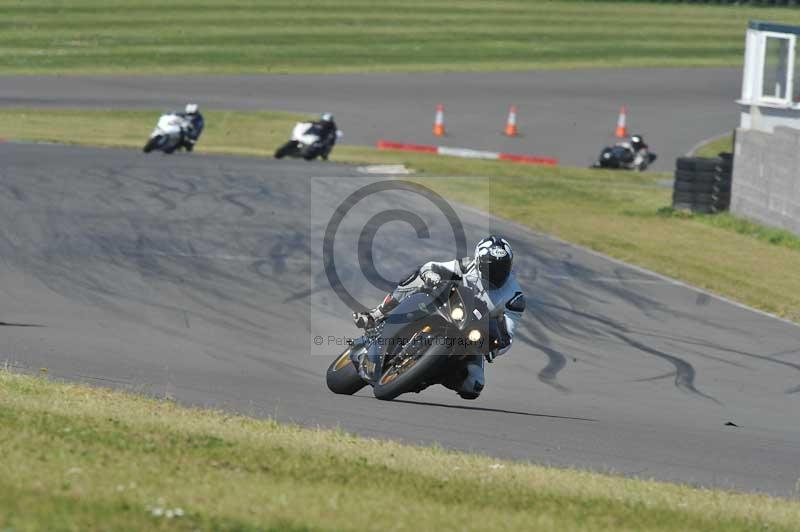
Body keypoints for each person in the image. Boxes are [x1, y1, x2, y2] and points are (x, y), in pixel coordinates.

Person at [353, 235, 525, 399]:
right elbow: (432, 266)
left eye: (501, 268)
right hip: (444, 307)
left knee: (473, 386)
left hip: (471, 333)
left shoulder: (515, 296)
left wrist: (493, 350)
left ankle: (424, 375)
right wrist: (431, 275)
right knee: (416, 278)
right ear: (479, 261)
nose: (496, 272)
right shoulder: (467, 265)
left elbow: (508, 335)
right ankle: (377, 314)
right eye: (490, 267)